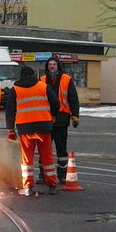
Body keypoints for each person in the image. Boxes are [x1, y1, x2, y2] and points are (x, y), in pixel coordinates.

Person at [5, 65, 61, 196]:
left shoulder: (15, 90)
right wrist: (52, 116)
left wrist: (10, 129)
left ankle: (28, 186)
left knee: (27, 159)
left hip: (25, 129)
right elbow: (56, 103)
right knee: (47, 157)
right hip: (43, 126)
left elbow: (10, 111)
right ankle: (52, 185)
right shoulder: (43, 86)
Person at [40, 56, 80, 185]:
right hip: (46, 117)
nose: (52, 66)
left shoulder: (66, 79)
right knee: (44, 147)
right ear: (47, 67)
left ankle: (62, 174)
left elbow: (73, 98)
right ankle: (43, 174)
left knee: (61, 147)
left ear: (58, 66)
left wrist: (75, 115)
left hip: (62, 117)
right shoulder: (42, 80)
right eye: (50, 64)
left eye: (54, 64)